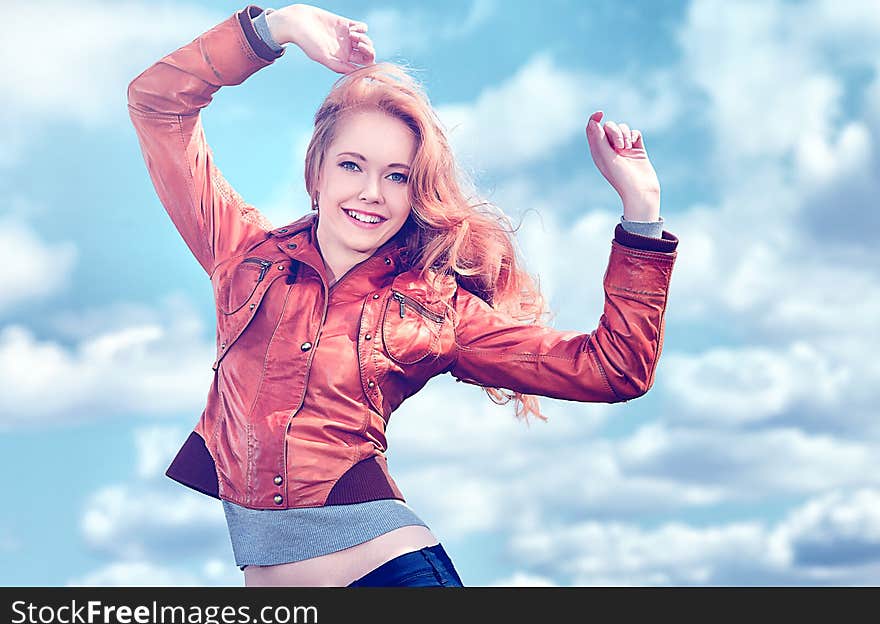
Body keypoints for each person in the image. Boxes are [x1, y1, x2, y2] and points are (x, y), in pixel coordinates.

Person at [127, 3, 678, 587]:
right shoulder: (242, 256)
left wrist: (641, 216)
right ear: (316, 172)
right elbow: (157, 102)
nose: (371, 193)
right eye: (352, 165)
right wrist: (277, 29)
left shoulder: (434, 310)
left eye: (397, 176)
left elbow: (613, 369)